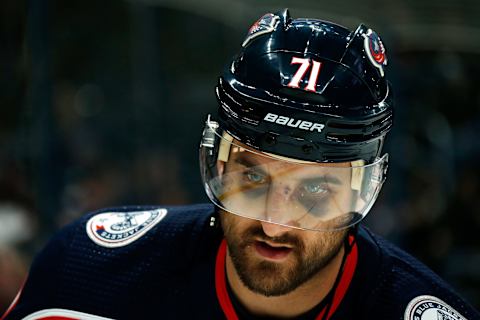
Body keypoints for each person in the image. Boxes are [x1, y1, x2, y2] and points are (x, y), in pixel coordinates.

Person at [2, 9, 479, 320]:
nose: (275, 221)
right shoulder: (87, 274)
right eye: (253, 175)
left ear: (363, 190)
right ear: (218, 163)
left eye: (314, 190)